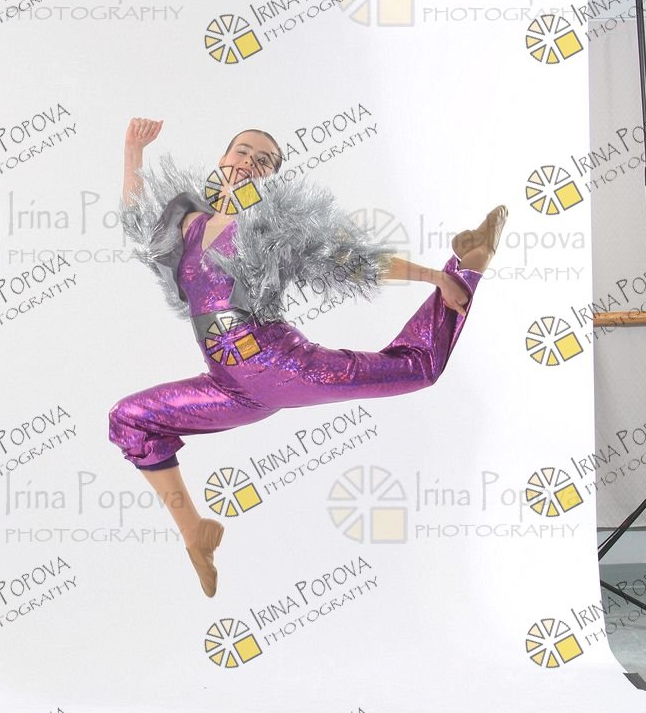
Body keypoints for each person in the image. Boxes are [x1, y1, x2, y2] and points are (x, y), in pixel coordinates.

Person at [111, 117, 506, 597]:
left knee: (416, 369)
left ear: (269, 176)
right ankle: (195, 534)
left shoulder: (272, 225)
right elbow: (137, 217)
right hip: (230, 387)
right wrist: (133, 152)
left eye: (263, 161)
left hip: (281, 363)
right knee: (129, 419)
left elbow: (350, 259)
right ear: (223, 158)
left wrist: (434, 277)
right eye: (242, 151)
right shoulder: (188, 223)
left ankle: (467, 265)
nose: (249, 162)